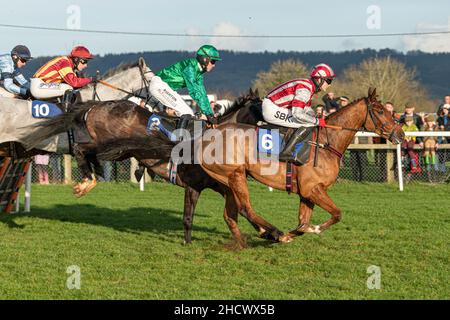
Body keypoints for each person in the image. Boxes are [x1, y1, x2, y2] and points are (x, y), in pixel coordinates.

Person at [261, 63, 335, 164]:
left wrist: (315, 116)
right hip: (271, 109)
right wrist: (316, 121)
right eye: (329, 80)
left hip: (273, 105)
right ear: (319, 79)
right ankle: (286, 152)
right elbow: (298, 114)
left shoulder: (309, 86)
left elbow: (306, 108)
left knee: (310, 120)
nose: (330, 84)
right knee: (308, 123)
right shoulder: (305, 89)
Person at [149, 44, 221, 129]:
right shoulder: (190, 67)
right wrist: (209, 115)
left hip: (165, 87)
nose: (214, 65)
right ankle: (178, 139)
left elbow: (202, 94)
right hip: (159, 86)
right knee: (186, 112)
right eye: (213, 61)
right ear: (205, 59)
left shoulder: (199, 72)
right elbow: (194, 91)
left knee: (189, 113)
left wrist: (210, 114)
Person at [30, 46, 95, 101]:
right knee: (68, 88)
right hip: (39, 86)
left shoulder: (69, 65)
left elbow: (76, 85)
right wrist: (90, 80)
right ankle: (66, 113)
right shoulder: (65, 62)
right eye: (85, 61)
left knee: (70, 89)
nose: (86, 65)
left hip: (41, 85)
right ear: (76, 59)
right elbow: (74, 83)